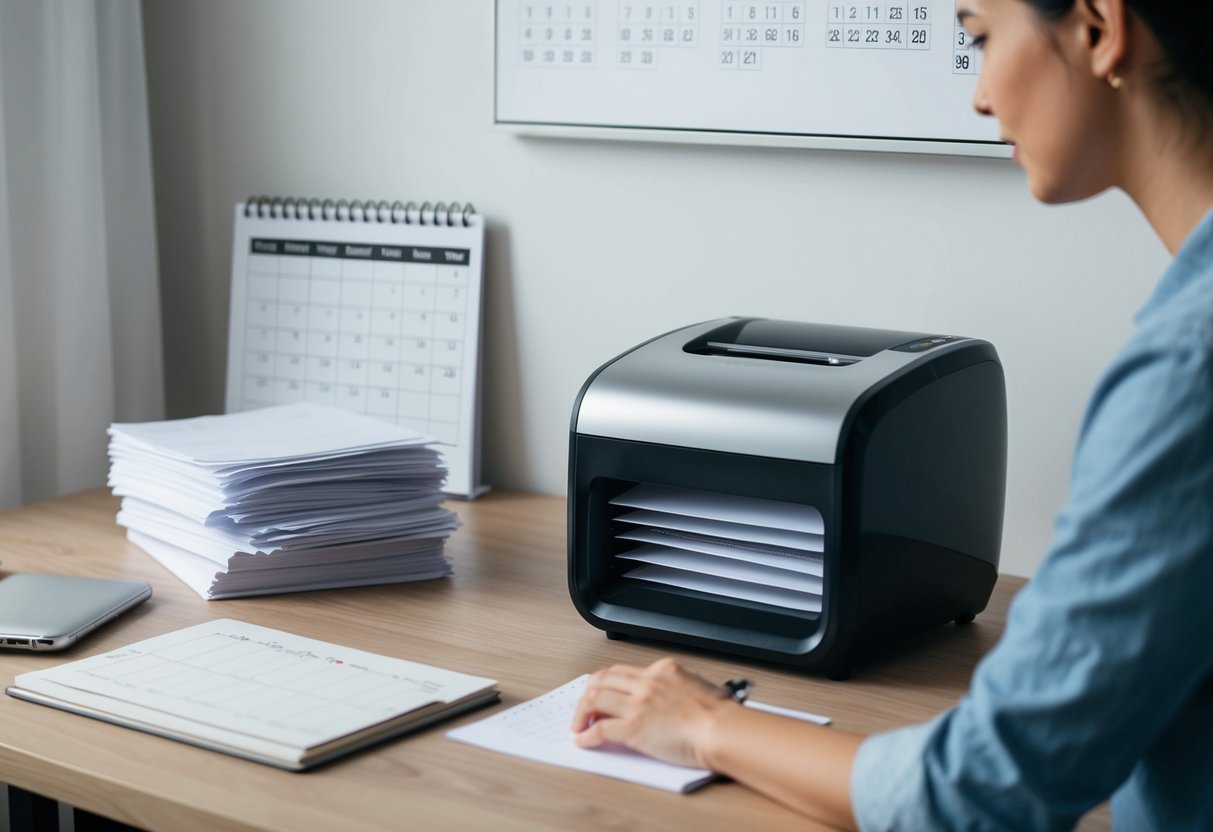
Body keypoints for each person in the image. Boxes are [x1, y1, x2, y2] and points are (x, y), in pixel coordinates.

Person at [570, 0, 1213, 828]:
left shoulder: (1185, 372)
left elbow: (981, 792)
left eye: (979, 37)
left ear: (1098, 28)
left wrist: (706, 723)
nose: (979, 96)